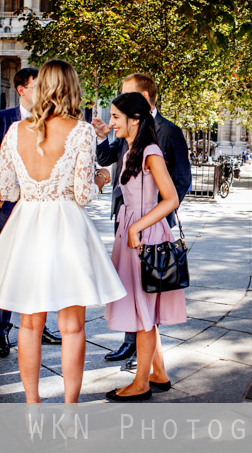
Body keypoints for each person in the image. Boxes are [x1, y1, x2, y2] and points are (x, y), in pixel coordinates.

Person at [0, 59, 126, 404]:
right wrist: (102, 178)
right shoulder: (81, 131)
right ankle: (70, 409)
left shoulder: (15, 131)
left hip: (26, 225)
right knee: (72, 327)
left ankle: (32, 405)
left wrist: (32, 189)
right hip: (66, 226)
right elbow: (83, 194)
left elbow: (4, 190)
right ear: (72, 89)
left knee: (29, 324)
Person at [92, 73, 191, 366]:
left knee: (145, 303)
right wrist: (102, 139)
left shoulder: (160, 139)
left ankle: (143, 374)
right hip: (128, 225)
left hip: (146, 228)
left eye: (116, 116)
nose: (111, 122)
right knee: (136, 299)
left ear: (137, 112)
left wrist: (150, 222)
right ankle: (154, 369)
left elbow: (176, 187)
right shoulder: (130, 140)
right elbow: (106, 159)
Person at [0, 67, 61, 358]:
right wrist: (6, 196)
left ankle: (39, 325)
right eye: (38, 86)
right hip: (12, 208)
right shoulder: (2, 120)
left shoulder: (53, 121)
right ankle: (1, 331)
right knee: (8, 269)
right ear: (22, 90)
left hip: (46, 210)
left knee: (41, 269)